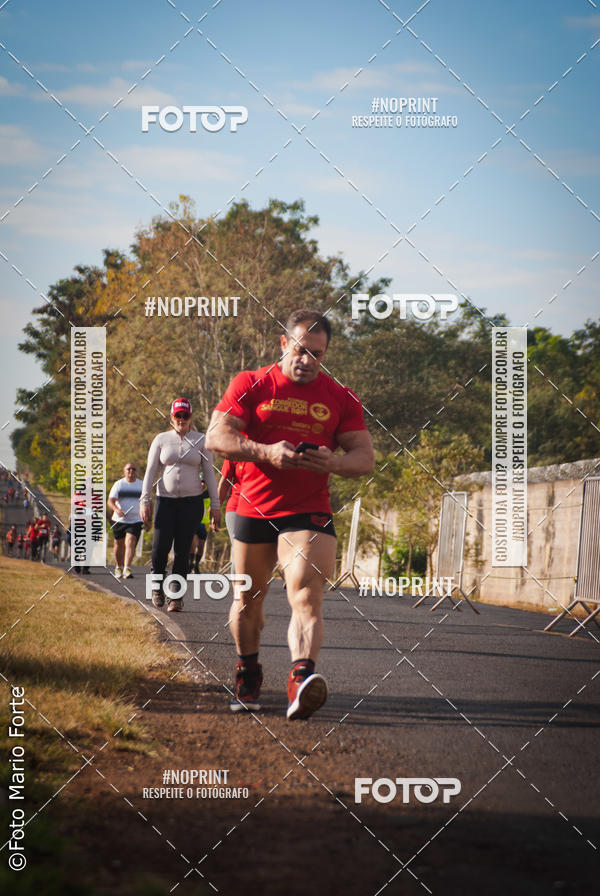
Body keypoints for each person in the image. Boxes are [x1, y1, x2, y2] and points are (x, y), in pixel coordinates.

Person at [206, 308, 374, 719]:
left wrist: (330, 461)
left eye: (317, 354)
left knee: (305, 587)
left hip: (308, 508)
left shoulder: (340, 397)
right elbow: (216, 436)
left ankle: (301, 678)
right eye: (301, 350)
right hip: (252, 504)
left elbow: (364, 458)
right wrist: (265, 451)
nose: (307, 360)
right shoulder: (251, 383)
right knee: (248, 598)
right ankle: (248, 670)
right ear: (284, 344)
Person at [140, 398, 221, 612]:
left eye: (185, 416)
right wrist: (144, 500)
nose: (182, 420)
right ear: (171, 417)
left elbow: (210, 474)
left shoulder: (201, 440)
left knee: (183, 550)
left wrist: (215, 505)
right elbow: (150, 471)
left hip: (192, 502)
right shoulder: (161, 439)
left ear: (191, 417)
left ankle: (176, 596)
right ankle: (157, 586)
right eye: (178, 416)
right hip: (165, 502)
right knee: (159, 549)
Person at [108, 462, 144, 579]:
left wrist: (148, 518)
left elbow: (148, 501)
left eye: (133, 469)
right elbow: (110, 501)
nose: (131, 471)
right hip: (119, 519)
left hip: (135, 520)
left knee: (130, 541)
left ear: (136, 472)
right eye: (128, 469)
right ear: (124, 471)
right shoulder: (119, 484)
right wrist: (116, 509)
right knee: (118, 545)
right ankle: (118, 567)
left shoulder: (141, 485)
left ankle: (127, 568)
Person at [217, 460, 241, 574]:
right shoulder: (233, 450)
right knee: (239, 548)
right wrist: (216, 509)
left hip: (264, 509)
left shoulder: (270, 449)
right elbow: (224, 482)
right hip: (236, 508)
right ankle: (238, 590)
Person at [188, 480, 209, 574]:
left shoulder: (209, 494)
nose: (202, 484)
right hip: (193, 522)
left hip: (204, 523)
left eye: (204, 482)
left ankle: (196, 564)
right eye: (200, 481)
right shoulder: (192, 492)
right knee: (192, 544)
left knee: (201, 546)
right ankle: (189, 563)